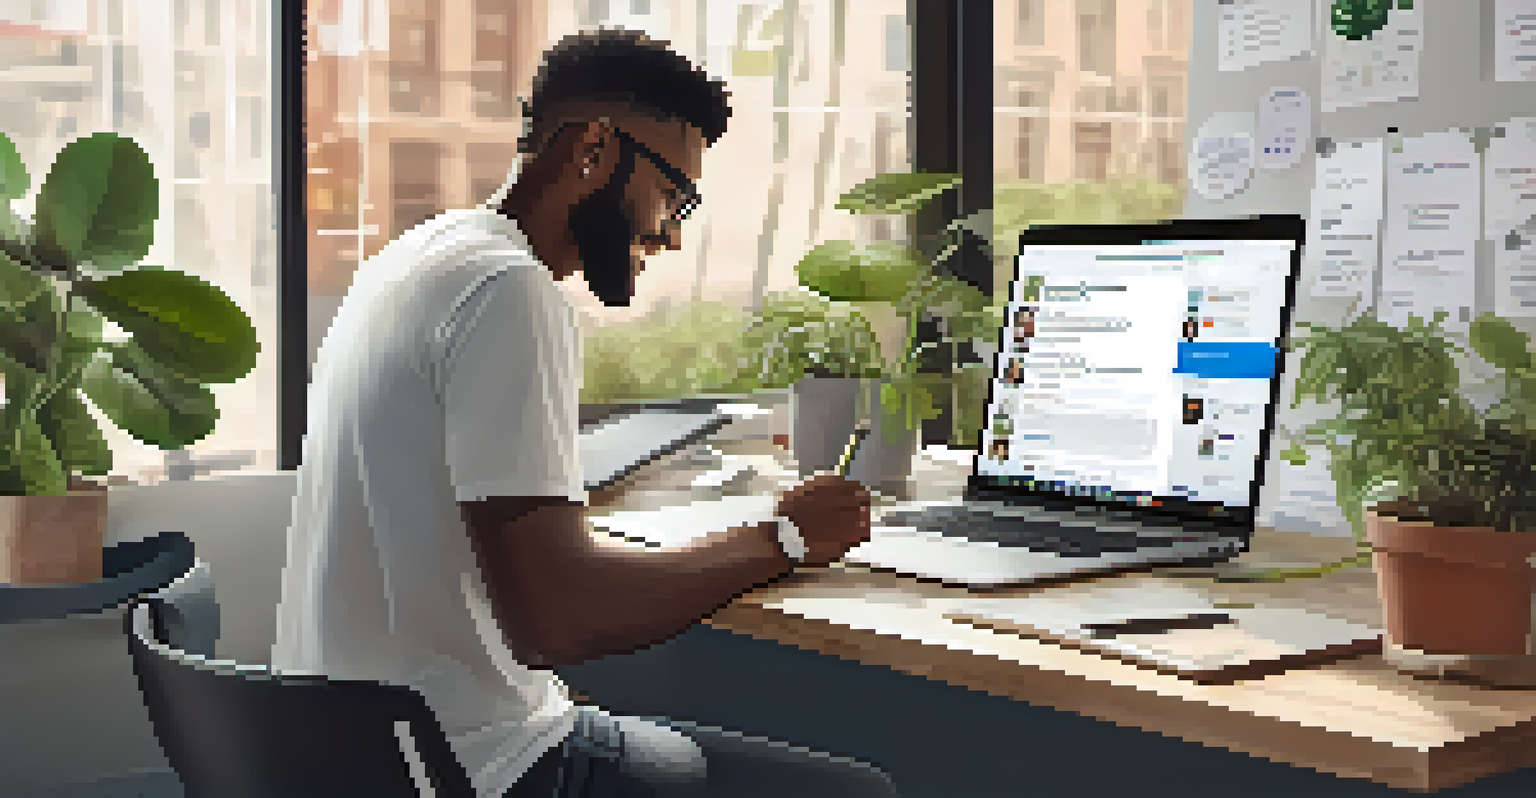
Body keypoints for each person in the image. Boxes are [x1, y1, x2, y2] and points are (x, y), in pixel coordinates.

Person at [273, 28, 898, 798]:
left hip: (350, 752)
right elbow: (556, 620)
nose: (671, 235)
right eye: (674, 195)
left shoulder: (417, 258)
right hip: (464, 769)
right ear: (594, 150)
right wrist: (786, 537)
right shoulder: (508, 290)